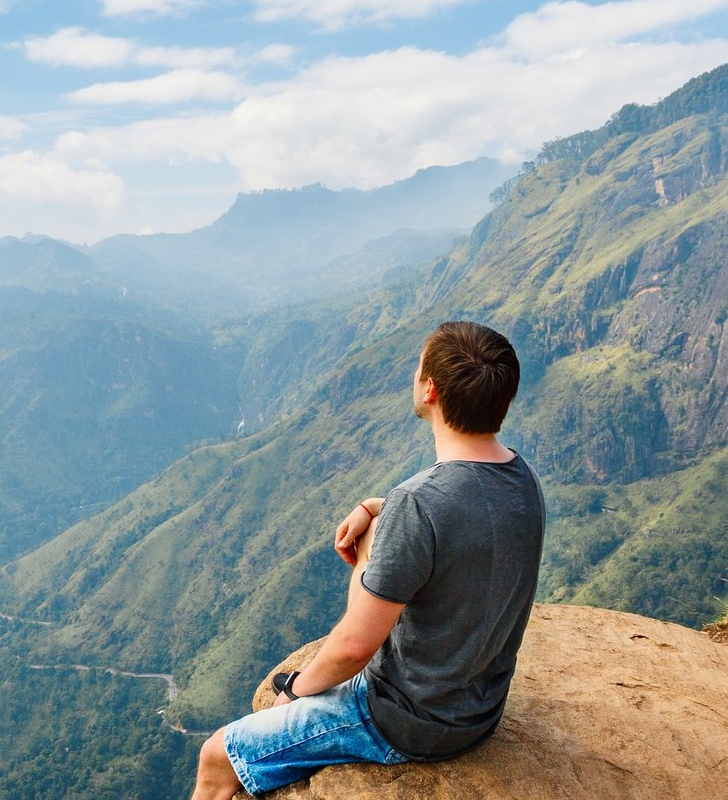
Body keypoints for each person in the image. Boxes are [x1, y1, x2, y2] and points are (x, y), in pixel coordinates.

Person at [191, 321, 544, 799]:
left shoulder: (420, 504)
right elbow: (468, 524)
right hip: (479, 709)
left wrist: (293, 693)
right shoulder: (521, 477)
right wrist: (379, 510)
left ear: (430, 390)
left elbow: (355, 647)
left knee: (217, 756)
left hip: (406, 719)